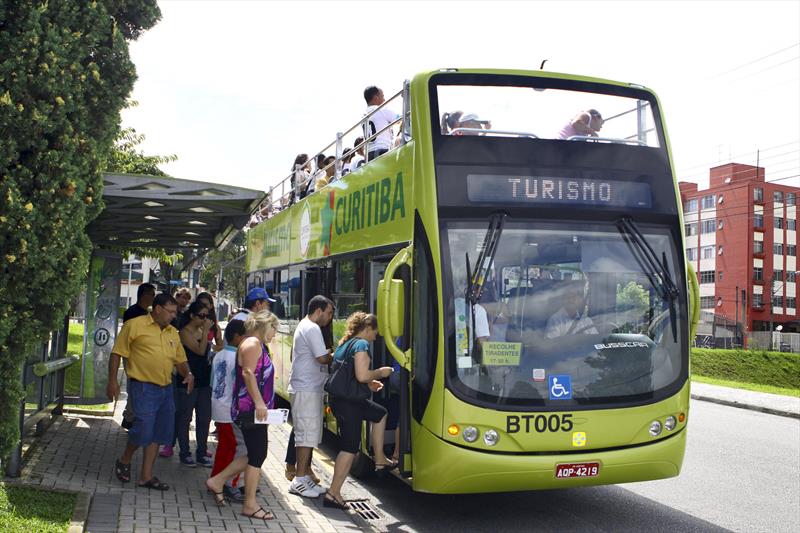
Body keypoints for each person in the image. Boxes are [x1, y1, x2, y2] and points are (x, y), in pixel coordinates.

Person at [107, 293, 194, 491]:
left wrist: (188, 374)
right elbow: (117, 353)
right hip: (143, 387)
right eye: (171, 311)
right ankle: (124, 460)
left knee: (159, 432)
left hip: (166, 389)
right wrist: (112, 381)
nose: (174, 315)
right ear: (157, 309)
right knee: (143, 430)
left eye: (175, 312)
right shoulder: (135, 325)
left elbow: (180, 361)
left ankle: (146, 476)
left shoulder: (173, 332)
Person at [205, 311, 279, 521]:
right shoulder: (253, 343)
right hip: (250, 409)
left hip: (254, 409)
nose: (275, 334)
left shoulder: (253, 343)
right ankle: (249, 504)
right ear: (266, 326)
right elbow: (247, 372)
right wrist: (258, 402)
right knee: (257, 456)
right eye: (274, 329)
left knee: (256, 454)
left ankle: (218, 481)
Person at [326, 312, 393, 509]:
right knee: (349, 448)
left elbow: (348, 374)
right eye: (375, 333)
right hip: (349, 404)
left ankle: (379, 458)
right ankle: (333, 493)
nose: (375, 337)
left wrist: (368, 383)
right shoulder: (361, 345)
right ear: (368, 329)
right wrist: (380, 373)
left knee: (379, 413)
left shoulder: (345, 343)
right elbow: (362, 374)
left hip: (344, 400)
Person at [286, 295, 334, 498]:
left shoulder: (305, 326)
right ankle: (299, 480)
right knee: (305, 436)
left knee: (309, 435)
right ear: (319, 310)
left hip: (309, 388)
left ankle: (304, 477)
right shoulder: (312, 328)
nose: (331, 318)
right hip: (306, 389)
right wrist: (334, 353)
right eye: (330, 313)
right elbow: (322, 358)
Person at [209, 319, 248, 502]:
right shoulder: (238, 358)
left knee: (225, 448)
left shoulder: (218, 355)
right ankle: (230, 484)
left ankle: (216, 478)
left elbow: (212, 383)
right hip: (230, 410)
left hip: (217, 405)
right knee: (237, 449)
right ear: (238, 337)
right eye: (245, 336)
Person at [172, 301, 214, 467]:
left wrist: (212, 334)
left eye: (207, 316)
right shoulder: (184, 332)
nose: (205, 320)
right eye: (201, 316)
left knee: (204, 419)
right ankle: (184, 452)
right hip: (187, 379)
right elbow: (200, 351)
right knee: (185, 418)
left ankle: (202, 453)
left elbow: (216, 347)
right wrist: (205, 334)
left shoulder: (202, 330)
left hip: (204, 381)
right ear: (192, 316)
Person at [120, 282, 156, 429]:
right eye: (152, 295)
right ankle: (130, 417)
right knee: (134, 387)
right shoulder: (131, 313)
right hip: (131, 355)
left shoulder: (149, 315)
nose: (154, 298)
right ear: (145, 295)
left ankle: (130, 416)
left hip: (143, 357)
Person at [362, 86, 400, 162]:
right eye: (382, 96)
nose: (384, 99)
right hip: (382, 151)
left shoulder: (363, 116)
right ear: (376, 98)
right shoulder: (382, 110)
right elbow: (400, 119)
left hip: (369, 155)